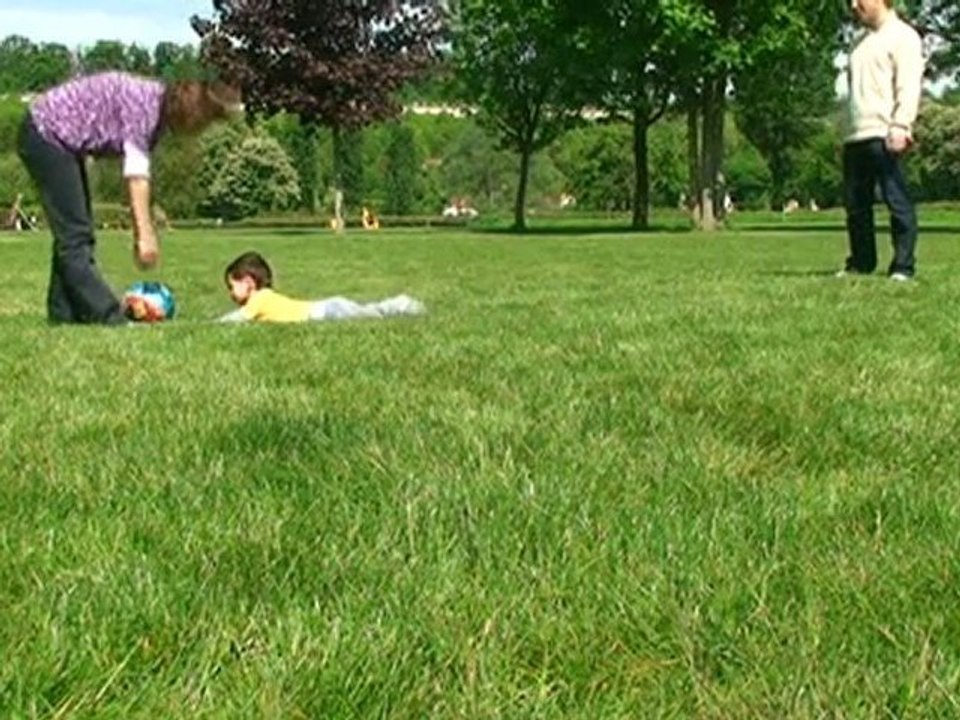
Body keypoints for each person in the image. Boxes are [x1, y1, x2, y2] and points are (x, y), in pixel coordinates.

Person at [17, 72, 240, 324]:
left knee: (73, 234)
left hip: (56, 139)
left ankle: (63, 315)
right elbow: (136, 176)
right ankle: (109, 316)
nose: (200, 132)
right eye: (203, 124)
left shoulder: (154, 103)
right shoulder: (144, 109)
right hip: (46, 134)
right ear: (191, 116)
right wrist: (144, 235)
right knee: (76, 237)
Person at [839, 0, 924, 281]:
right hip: (857, 134)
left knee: (896, 201)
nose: (853, 5)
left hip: (886, 133)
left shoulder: (904, 37)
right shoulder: (858, 43)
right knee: (856, 206)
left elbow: (908, 85)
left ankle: (902, 266)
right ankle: (861, 263)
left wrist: (902, 123)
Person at [219, 251, 425, 323]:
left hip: (327, 311)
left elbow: (239, 318)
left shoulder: (259, 299)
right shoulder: (263, 298)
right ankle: (399, 306)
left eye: (232, 285)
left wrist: (215, 323)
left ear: (248, 282)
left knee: (369, 315)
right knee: (367, 314)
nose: (230, 293)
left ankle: (401, 304)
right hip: (328, 309)